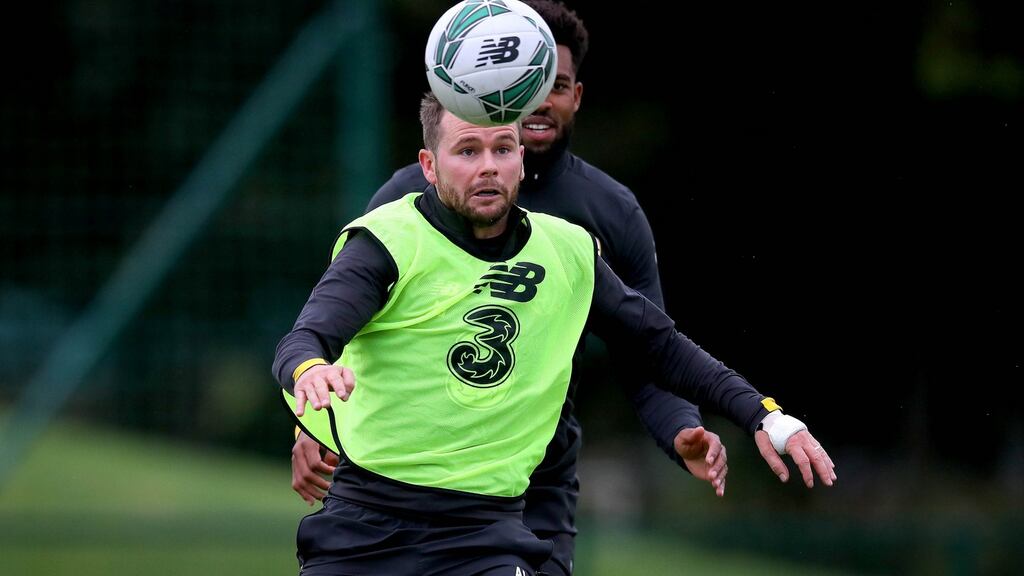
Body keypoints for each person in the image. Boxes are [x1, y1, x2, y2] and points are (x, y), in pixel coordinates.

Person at [273, 92, 836, 575]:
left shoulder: (568, 252)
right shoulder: (387, 240)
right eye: (467, 151)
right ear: (428, 163)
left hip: (484, 531)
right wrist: (311, 371)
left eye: (502, 148)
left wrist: (764, 415)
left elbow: (659, 346)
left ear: (522, 158)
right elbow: (304, 340)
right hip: (367, 527)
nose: (487, 166)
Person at [289, 3, 726, 574]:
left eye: (552, 84)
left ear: (576, 96)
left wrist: (679, 429)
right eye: (515, 86)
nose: (537, 100)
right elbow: (345, 328)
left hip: (538, 477)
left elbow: (650, 349)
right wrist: (309, 426)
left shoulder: (611, 214)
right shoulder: (407, 204)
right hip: (413, 488)